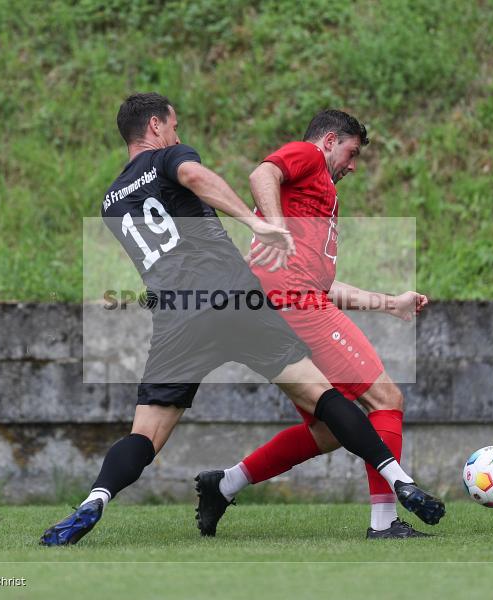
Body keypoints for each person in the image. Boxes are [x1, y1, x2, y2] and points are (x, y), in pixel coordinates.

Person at [40, 94, 443, 545]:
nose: (178, 134)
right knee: (326, 397)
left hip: (176, 320)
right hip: (235, 300)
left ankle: (96, 498)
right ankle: (397, 485)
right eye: (174, 126)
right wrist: (259, 224)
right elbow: (200, 174)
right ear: (155, 126)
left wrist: (385, 301)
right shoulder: (171, 156)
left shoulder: (111, 201)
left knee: (146, 436)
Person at [195, 110, 441, 540]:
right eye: (352, 152)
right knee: (386, 397)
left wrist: (389, 303)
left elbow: (323, 283)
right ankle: (384, 523)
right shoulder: (309, 156)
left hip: (282, 308)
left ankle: (226, 483)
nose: (353, 164)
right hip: (296, 306)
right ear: (329, 140)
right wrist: (273, 225)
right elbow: (262, 173)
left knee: (327, 431)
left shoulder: (315, 197)